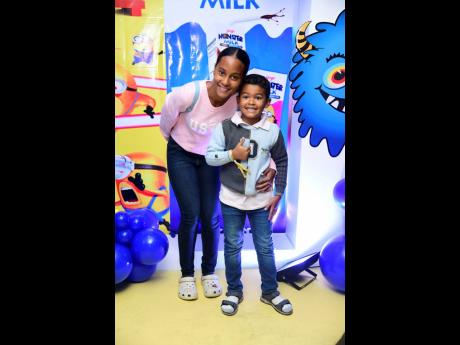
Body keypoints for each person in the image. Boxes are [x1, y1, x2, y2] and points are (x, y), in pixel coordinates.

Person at [159, 47, 276, 301]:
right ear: (214, 68)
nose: (225, 81)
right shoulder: (188, 94)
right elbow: (166, 122)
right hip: (181, 154)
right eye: (221, 72)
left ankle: (209, 272)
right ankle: (187, 275)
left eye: (234, 77)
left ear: (241, 79)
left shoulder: (239, 100)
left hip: (213, 159)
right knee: (190, 214)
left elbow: (264, 126)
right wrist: (177, 144)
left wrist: (272, 167)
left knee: (211, 216)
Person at [205, 74, 292, 316]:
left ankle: (270, 291)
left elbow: (282, 160)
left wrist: (279, 192)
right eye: (245, 96)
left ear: (266, 102)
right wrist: (232, 154)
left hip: (261, 202)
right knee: (233, 246)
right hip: (231, 200)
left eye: (258, 97)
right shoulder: (225, 127)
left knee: (265, 247)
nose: (251, 102)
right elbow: (210, 157)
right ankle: (234, 290)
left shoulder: (272, 131)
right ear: (237, 98)